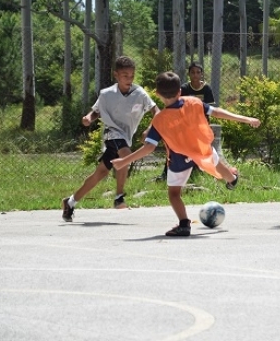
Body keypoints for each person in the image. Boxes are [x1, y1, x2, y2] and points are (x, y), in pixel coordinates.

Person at [111, 71, 261, 236]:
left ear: (157, 94)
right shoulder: (194, 102)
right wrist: (246, 119)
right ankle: (232, 179)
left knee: (174, 193)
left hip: (179, 158)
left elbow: (149, 148)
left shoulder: (159, 120)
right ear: (180, 92)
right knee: (216, 163)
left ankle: (184, 224)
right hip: (201, 148)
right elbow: (217, 112)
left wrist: (125, 160)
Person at [61, 56, 159, 222]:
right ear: (116, 75)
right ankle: (119, 196)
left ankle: (70, 202)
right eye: (125, 75)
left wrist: (150, 129)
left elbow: (156, 112)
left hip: (125, 136)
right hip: (111, 132)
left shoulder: (140, 94)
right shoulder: (107, 94)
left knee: (100, 173)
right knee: (126, 154)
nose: (129, 79)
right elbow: (96, 111)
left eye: (132, 76)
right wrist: (88, 118)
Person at [156, 62, 216, 181]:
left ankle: (205, 172)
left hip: (199, 125)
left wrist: (205, 126)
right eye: (193, 72)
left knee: (202, 149)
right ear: (189, 74)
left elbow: (208, 110)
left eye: (198, 72)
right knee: (174, 148)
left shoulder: (207, 89)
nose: (195, 75)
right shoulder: (184, 88)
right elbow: (177, 107)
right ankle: (166, 172)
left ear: (202, 74)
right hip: (184, 125)